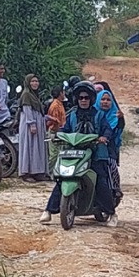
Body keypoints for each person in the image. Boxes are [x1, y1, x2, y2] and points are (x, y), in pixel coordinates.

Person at [40, 85, 117, 227]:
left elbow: (107, 129)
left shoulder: (99, 115)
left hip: (96, 153)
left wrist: (104, 137)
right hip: (74, 152)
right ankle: (48, 210)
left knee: (100, 180)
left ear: (91, 99)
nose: (83, 100)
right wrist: (58, 135)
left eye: (86, 98)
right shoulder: (72, 115)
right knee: (62, 178)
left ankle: (111, 213)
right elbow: (65, 129)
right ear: (77, 99)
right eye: (81, 98)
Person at [95, 89, 126, 201]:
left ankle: (116, 188)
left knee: (111, 165)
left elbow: (119, 128)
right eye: (103, 99)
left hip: (109, 148)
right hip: (92, 146)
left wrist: (121, 119)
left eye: (108, 100)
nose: (105, 102)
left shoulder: (115, 116)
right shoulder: (94, 114)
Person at [18, 74, 49, 182]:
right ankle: (27, 173)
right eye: (32, 81)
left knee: (37, 147)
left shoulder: (35, 95)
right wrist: (32, 124)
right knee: (30, 147)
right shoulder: (26, 95)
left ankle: (37, 172)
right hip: (29, 125)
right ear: (28, 83)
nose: (35, 83)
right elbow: (27, 110)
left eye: (36, 81)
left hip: (37, 123)